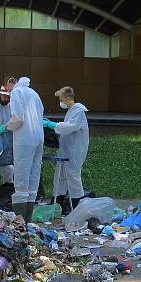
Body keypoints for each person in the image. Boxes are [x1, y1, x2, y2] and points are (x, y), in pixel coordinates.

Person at [0, 76, 44, 221]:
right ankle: (28, 219)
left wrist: (6, 126)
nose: (7, 92)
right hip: (38, 137)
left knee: (21, 177)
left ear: (9, 84)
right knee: (33, 175)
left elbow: (18, 118)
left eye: (6, 89)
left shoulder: (17, 93)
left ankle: (21, 220)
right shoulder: (34, 93)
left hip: (24, 139)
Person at [44, 86, 89, 214]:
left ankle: (78, 206)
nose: (61, 102)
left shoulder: (78, 111)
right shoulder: (71, 110)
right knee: (60, 177)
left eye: (61, 99)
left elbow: (71, 127)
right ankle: (58, 204)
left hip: (74, 152)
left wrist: (53, 125)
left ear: (68, 98)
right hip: (67, 150)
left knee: (73, 177)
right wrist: (54, 124)